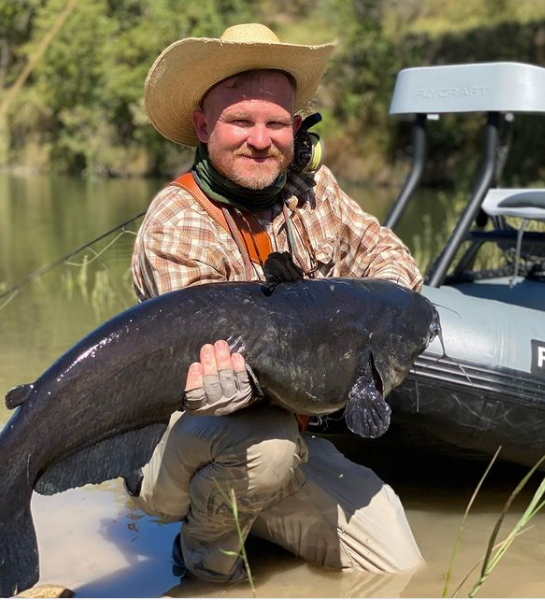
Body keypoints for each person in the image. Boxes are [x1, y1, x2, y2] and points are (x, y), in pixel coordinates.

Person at [130, 22, 424, 584]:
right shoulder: (176, 219)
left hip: (296, 435)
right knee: (263, 445)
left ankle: (256, 522)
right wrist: (246, 379)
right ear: (202, 126)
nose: (260, 140)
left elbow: (386, 251)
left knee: (398, 568)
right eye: (241, 121)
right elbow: (211, 379)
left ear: (295, 128)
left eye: (275, 124)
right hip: (187, 435)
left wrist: (381, 309)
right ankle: (205, 563)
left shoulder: (312, 188)